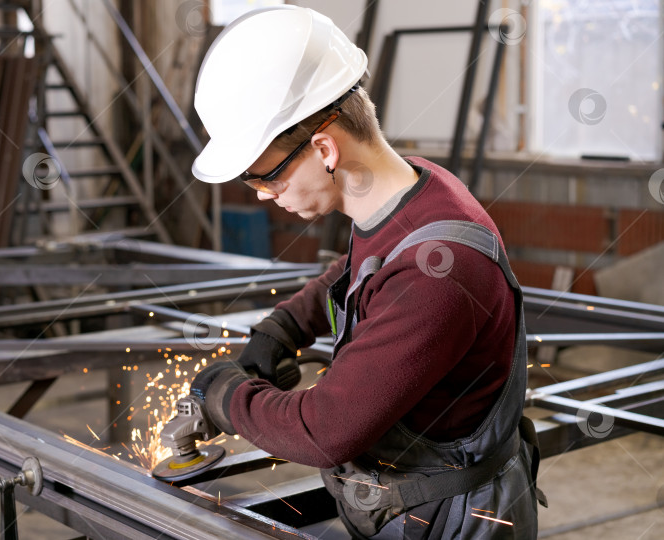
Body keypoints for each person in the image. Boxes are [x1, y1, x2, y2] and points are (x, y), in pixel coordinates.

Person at [187, 6, 545, 539]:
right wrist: (282, 327)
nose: (264, 195)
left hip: (454, 522)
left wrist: (224, 396)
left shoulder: (440, 274)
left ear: (325, 149)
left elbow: (324, 432)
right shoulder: (410, 189)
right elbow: (361, 265)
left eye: (266, 176)